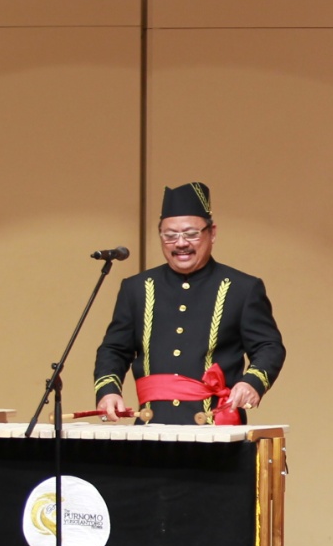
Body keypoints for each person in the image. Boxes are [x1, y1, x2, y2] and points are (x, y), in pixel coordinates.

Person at [93, 182, 285, 425]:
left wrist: (252, 382)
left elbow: (269, 346)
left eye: (191, 234)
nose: (181, 243)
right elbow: (114, 349)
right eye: (170, 235)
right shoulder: (136, 288)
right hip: (151, 428)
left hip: (217, 427)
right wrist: (108, 390)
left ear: (212, 233)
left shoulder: (243, 288)